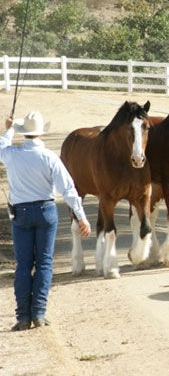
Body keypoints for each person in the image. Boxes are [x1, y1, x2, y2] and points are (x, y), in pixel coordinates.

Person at [0, 111, 91, 332]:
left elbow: (1, 144)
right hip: (45, 211)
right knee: (44, 263)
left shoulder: (12, 153)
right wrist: (81, 217)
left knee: (24, 264)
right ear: (41, 133)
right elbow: (68, 190)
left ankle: (23, 316)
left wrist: (9, 128)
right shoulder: (50, 157)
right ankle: (39, 313)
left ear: (24, 133)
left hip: (21, 213)